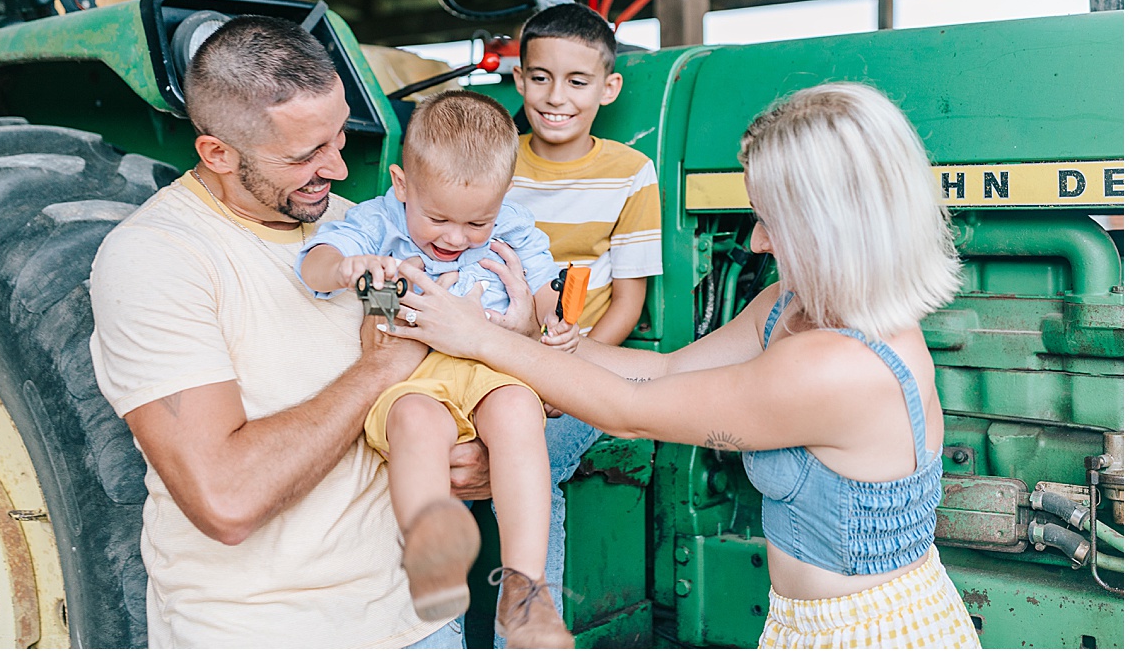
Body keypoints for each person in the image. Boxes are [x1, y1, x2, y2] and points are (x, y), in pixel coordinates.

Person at [385, 81, 983, 649]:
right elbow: (664, 372)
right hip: (800, 622)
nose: (755, 244)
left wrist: (477, 339)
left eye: (771, 222)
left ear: (830, 229)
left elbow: (632, 412)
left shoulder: (840, 368)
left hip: (871, 634)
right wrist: (522, 331)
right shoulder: (792, 306)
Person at [89, 15, 493, 649]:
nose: (335, 168)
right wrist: (379, 370)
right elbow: (225, 499)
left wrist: (475, 455)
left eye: (337, 138)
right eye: (304, 155)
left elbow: (440, 383)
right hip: (266, 630)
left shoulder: (359, 226)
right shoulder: (154, 258)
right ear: (217, 153)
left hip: (418, 622)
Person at [295, 90, 578, 648]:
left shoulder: (511, 224)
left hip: (488, 364)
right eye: (438, 218)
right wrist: (347, 267)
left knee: (521, 410)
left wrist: (555, 319)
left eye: (478, 222)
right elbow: (314, 264)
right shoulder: (374, 221)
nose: (456, 237)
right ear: (402, 186)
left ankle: (527, 593)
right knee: (418, 426)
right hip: (411, 371)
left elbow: (546, 285)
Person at [507, 3, 664, 635]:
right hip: (490, 354)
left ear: (608, 87)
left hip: (583, 363)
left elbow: (627, 302)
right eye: (540, 78)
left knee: (532, 463)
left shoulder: (630, 174)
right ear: (518, 81)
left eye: (577, 82)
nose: (555, 97)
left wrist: (567, 373)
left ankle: (527, 634)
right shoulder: (496, 160)